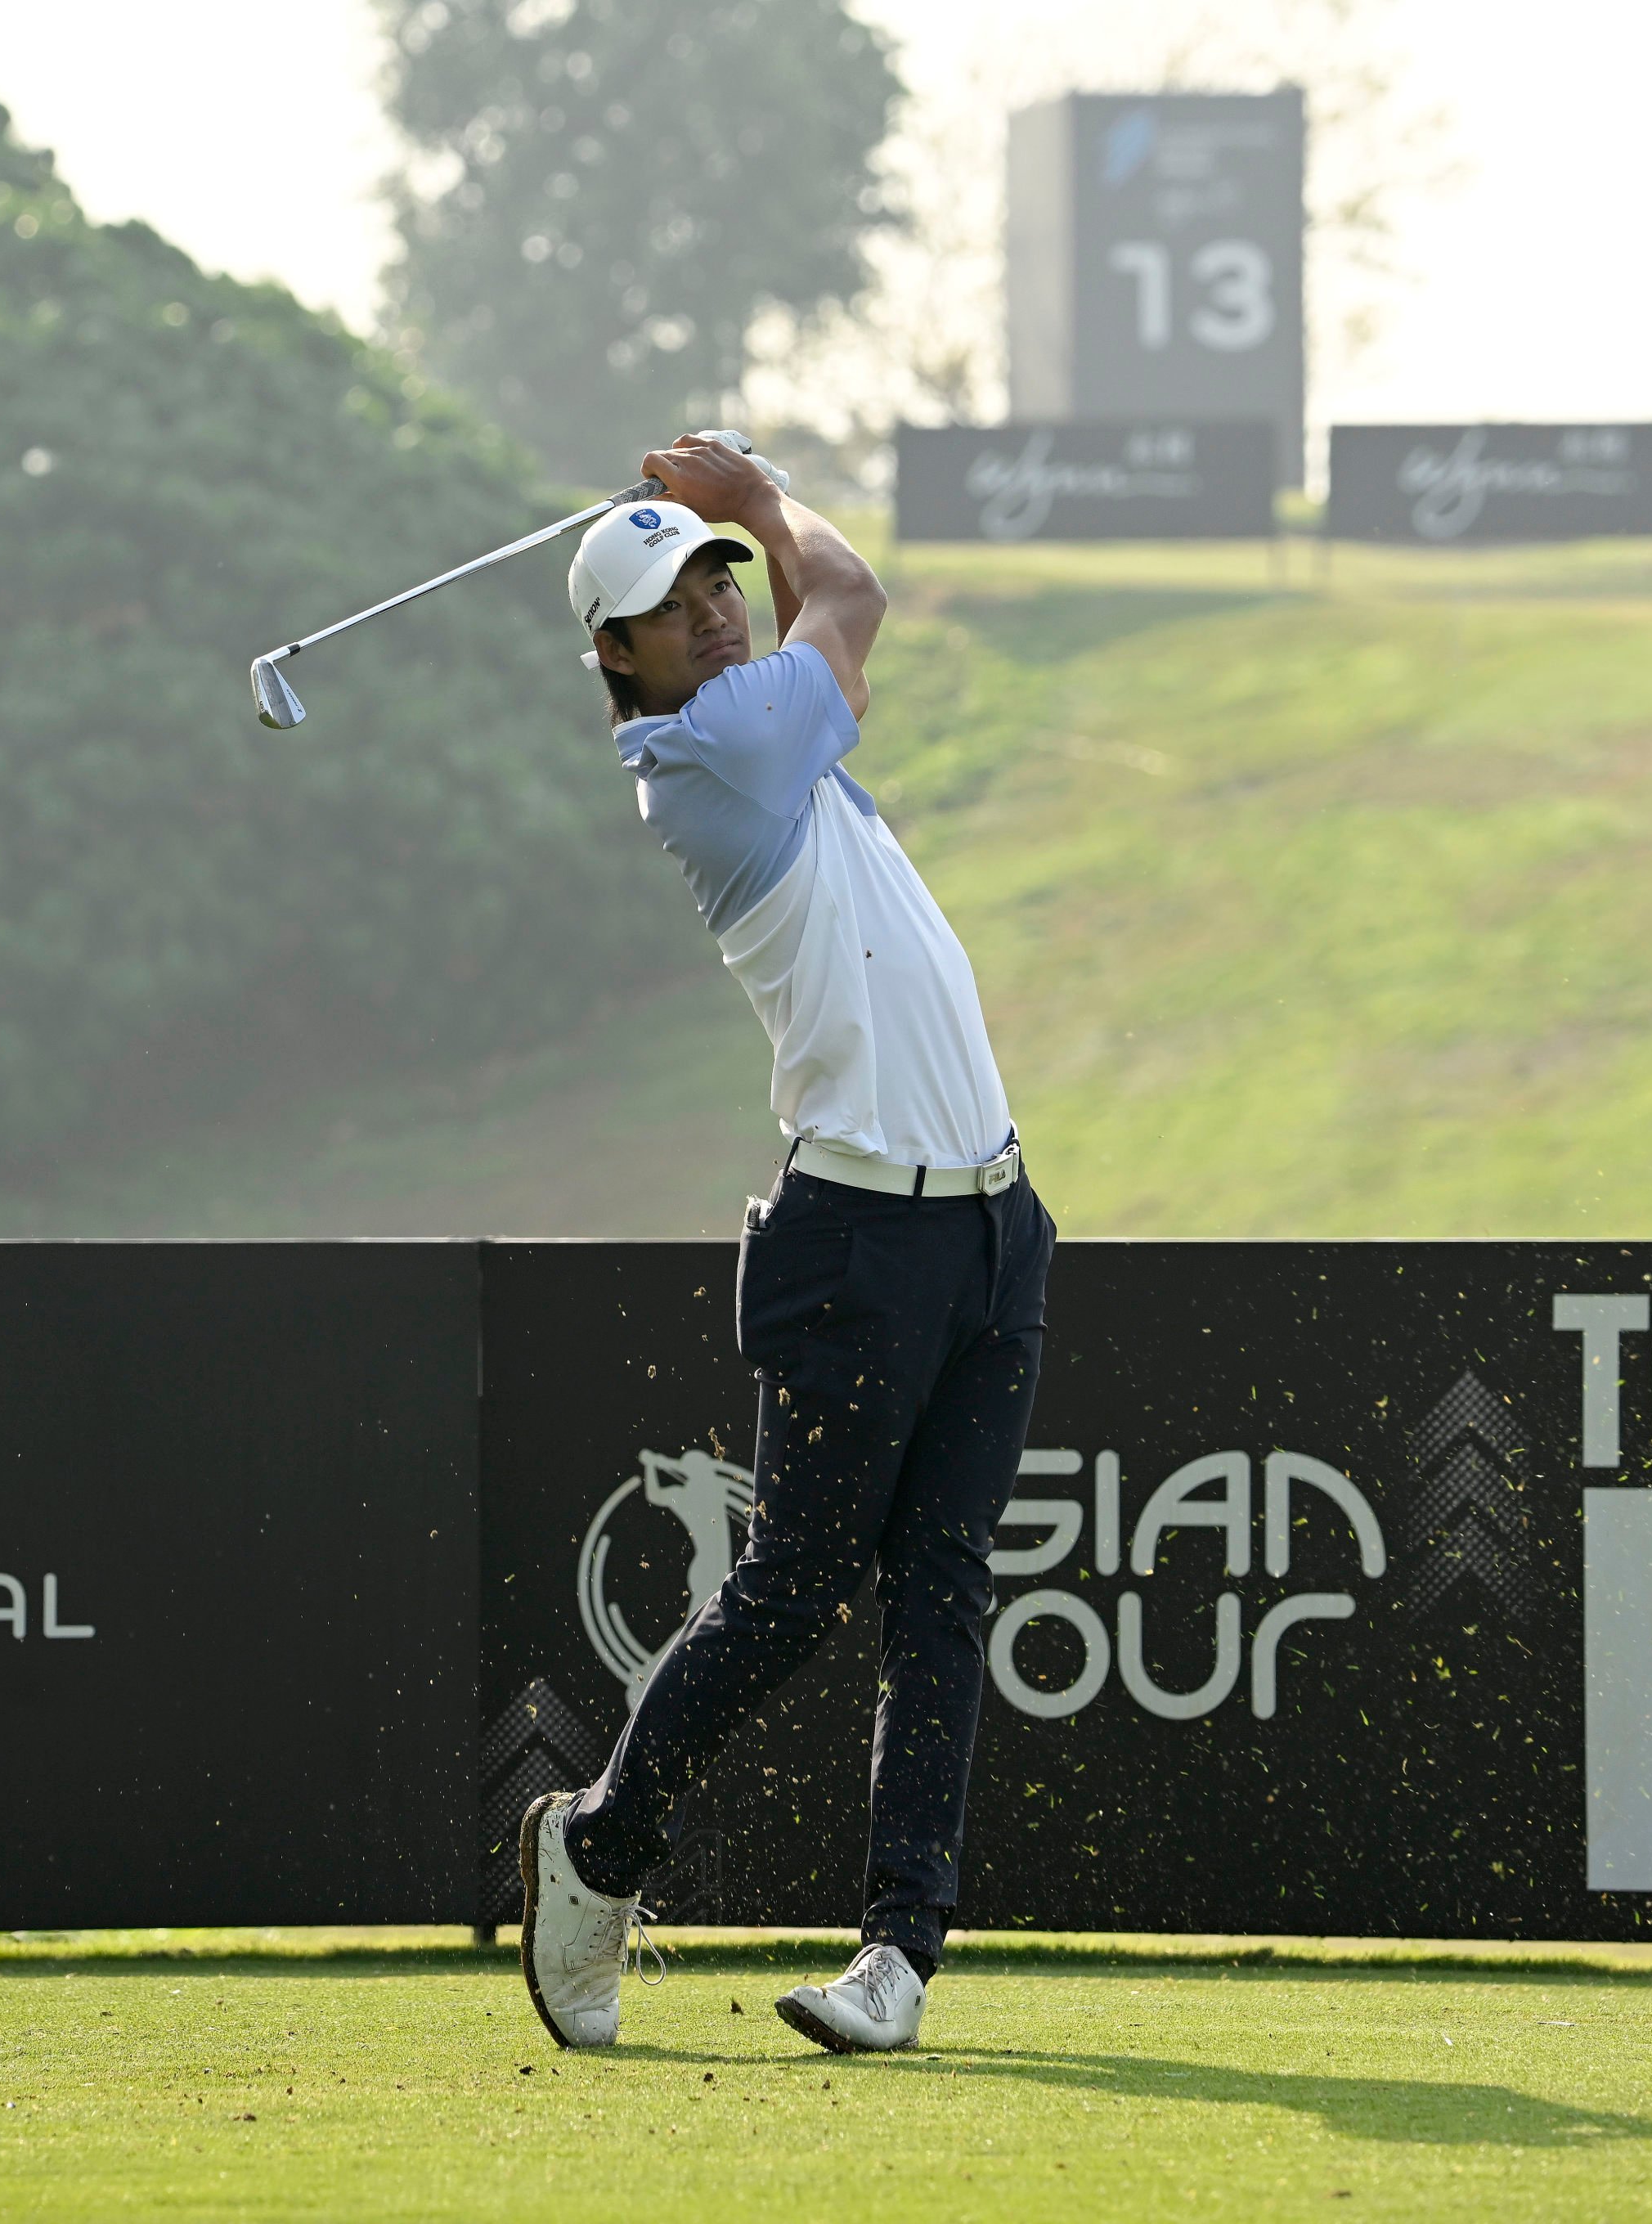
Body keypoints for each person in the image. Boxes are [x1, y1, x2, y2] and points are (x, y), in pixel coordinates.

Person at [518, 434, 1055, 2057]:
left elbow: (836, 628)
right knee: (793, 1594)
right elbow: (856, 593)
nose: (713, 608)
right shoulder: (713, 750)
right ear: (616, 657)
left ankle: (897, 1956)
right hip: (856, 1238)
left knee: (941, 1597)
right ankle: (599, 1848)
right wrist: (753, 493)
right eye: (671, 602)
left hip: (992, 1227)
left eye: (717, 579)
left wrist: (742, 515)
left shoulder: (786, 750)